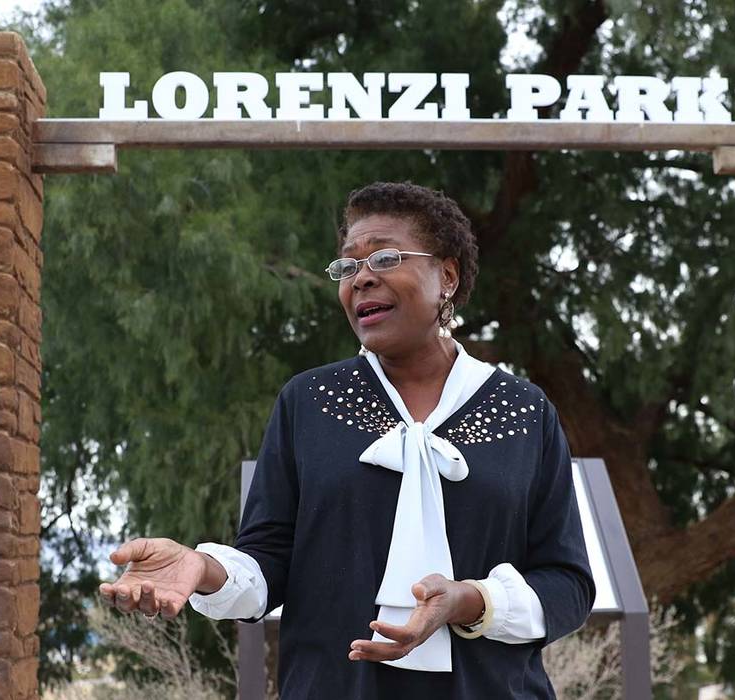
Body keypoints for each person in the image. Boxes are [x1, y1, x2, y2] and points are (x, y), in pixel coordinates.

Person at [99, 181, 595, 698]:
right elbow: (269, 563)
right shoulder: (307, 401)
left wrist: (471, 600)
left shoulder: (524, 410)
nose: (361, 279)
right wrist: (203, 567)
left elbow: (568, 585)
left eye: (383, 258)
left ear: (447, 275)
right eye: (347, 267)